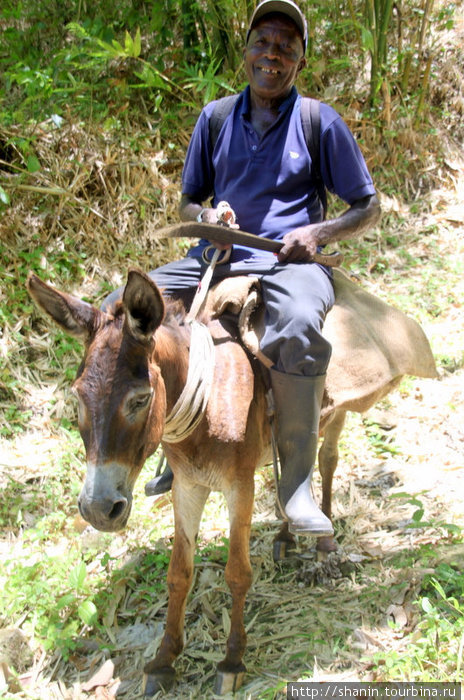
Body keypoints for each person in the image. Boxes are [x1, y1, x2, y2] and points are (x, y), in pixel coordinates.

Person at [109, 0, 380, 536]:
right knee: (119, 313)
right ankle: (162, 440)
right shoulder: (214, 118)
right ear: (246, 50)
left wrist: (317, 233)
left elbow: (367, 206)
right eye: (263, 42)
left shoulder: (317, 121)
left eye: (286, 47)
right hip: (216, 254)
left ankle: (296, 485)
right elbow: (188, 202)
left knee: (300, 328)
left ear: (300, 60)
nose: (272, 56)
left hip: (291, 263)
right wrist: (209, 216)